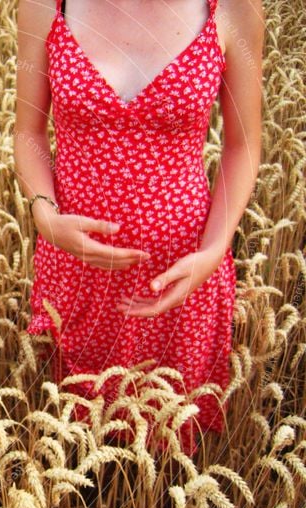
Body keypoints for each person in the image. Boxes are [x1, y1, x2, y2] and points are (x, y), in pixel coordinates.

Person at [14, 0, 263, 455]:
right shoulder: (45, 6)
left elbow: (242, 147)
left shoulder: (233, 9)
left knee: (170, 454)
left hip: (182, 277)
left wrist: (213, 250)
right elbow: (28, 132)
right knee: (76, 446)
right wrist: (45, 214)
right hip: (79, 272)